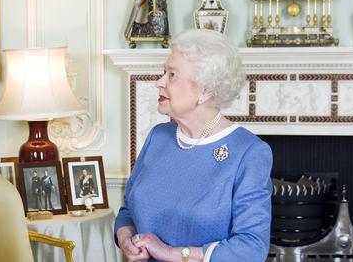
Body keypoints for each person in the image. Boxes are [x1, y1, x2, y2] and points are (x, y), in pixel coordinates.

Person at [114, 29, 272, 262]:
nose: (159, 82)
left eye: (172, 75)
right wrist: (126, 239)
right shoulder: (159, 137)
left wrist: (171, 253)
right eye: (163, 73)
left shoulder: (248, 152)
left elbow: (251, 247)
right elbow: (128, 210)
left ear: (206, 90)